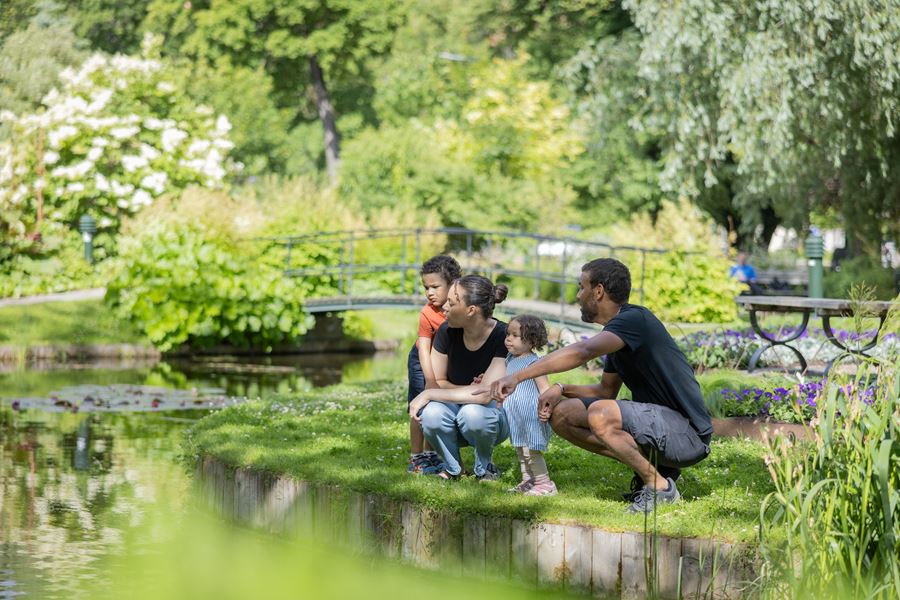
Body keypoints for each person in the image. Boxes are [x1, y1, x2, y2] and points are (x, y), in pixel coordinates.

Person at [490, 258, 712, 513]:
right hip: (662, 428)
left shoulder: (634, 320)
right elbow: (605, 391)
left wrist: (517, 377)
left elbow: (583, 351)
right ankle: (656, 470)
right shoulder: (619, 333)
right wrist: (560, 388)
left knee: (600, 413)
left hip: (688, 435)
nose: (577, 295)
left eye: (581, 287)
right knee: (562, 414)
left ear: (598, 291)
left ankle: (659, 487)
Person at [408, 275, 509, 481]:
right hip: (456, 413)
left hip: (492, 419)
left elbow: (485, 396)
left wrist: (428, 394)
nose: (444, 307)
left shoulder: (503, 336)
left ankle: (485, 467)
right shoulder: (446, 331)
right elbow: (438, 381)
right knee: (432, 413)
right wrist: (468, 391)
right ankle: (454, 468)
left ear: (471, 310)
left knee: (472, 413)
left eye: (451, 303)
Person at [407, 255, 462, 475]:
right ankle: (416, 457)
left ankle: (432, 454)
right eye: (426, 287)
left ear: (453, 284)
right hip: (423, 361)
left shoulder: (462, 306)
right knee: (420, 405)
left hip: (446, 359)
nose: (429, 292)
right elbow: (423, 349)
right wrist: (430, 381)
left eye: (435, 287)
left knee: (436, 406)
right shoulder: (427, 313)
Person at [500, 315, 556, 496]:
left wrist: (547, 409)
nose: (508, 339)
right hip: (516, 415)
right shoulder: (510, 359)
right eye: (508, 334)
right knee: (520, 449)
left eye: (515, 335)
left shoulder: (535, 363)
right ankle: (528, 480)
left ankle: (545, 484)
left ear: (531, 340)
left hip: (531, 415)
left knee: (531, 451)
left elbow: (545, 389)